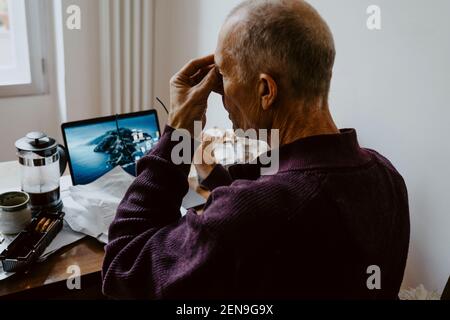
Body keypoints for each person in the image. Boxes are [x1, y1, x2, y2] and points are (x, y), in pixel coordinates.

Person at [102, 0, 410, 299]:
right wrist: (217, 178)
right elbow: (290, 209)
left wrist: (179, 133)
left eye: (222, 76)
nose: (217, 92)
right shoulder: (387, 177)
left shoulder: (251, 216)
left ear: (265, 90)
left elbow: (123, 266)